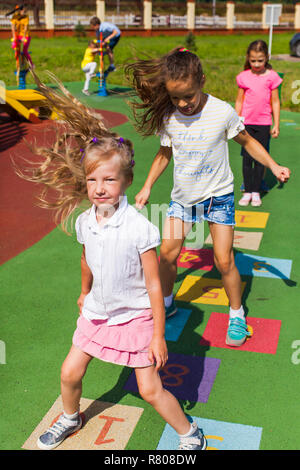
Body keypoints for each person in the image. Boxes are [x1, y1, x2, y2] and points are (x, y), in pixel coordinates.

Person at [17, 71, 207, 451]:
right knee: (69, 372)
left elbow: (154, 283)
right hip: (98, 313)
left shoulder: (139, 228)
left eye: (109, 180)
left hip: (136, 316)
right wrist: (84, 292)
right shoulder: (86, 221)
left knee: (150, 389)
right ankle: (71, 418)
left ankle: (190, 433)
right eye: (92, 181)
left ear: (126, 181)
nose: (100, 188)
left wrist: (157, 334)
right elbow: (87, 260)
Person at [125, 47, 290, 346]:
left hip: (219, 199)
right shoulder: (170, 116)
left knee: (224, 260)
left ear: (201, 80)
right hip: (182, 200)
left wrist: (273, 166)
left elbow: (248, 141)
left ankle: (237, 315)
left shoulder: (222, 111)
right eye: (176, 97)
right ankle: (166, 301)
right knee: (167, 255)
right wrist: (147, 185)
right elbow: (164, 155)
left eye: (188, 95)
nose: (183, 103)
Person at [235, 40, 283, 207]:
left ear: (267, 58)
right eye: (253, 60)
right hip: (246, 124)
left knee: (260, 158)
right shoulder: (243, 77)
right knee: (247, 159)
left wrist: (276, 124)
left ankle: (256, 191)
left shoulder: (272, 77)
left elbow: (275, 102)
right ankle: (247, 191)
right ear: (248, 58)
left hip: (263, 123)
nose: (256, 64)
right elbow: (239, 102)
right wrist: (236, 120)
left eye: (260, 60)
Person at [8, 4, 34, 68]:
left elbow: (25, 28)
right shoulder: (15, 16)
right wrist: (14, 37)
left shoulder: (26, 16)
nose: (22, 12)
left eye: (23, 11)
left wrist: (24, 37)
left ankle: (31, 64)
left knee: (25, 51)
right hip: (18, 35)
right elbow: (13, 27)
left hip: (26, 35)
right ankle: (19, 64)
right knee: (15, 48)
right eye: (20, 11)